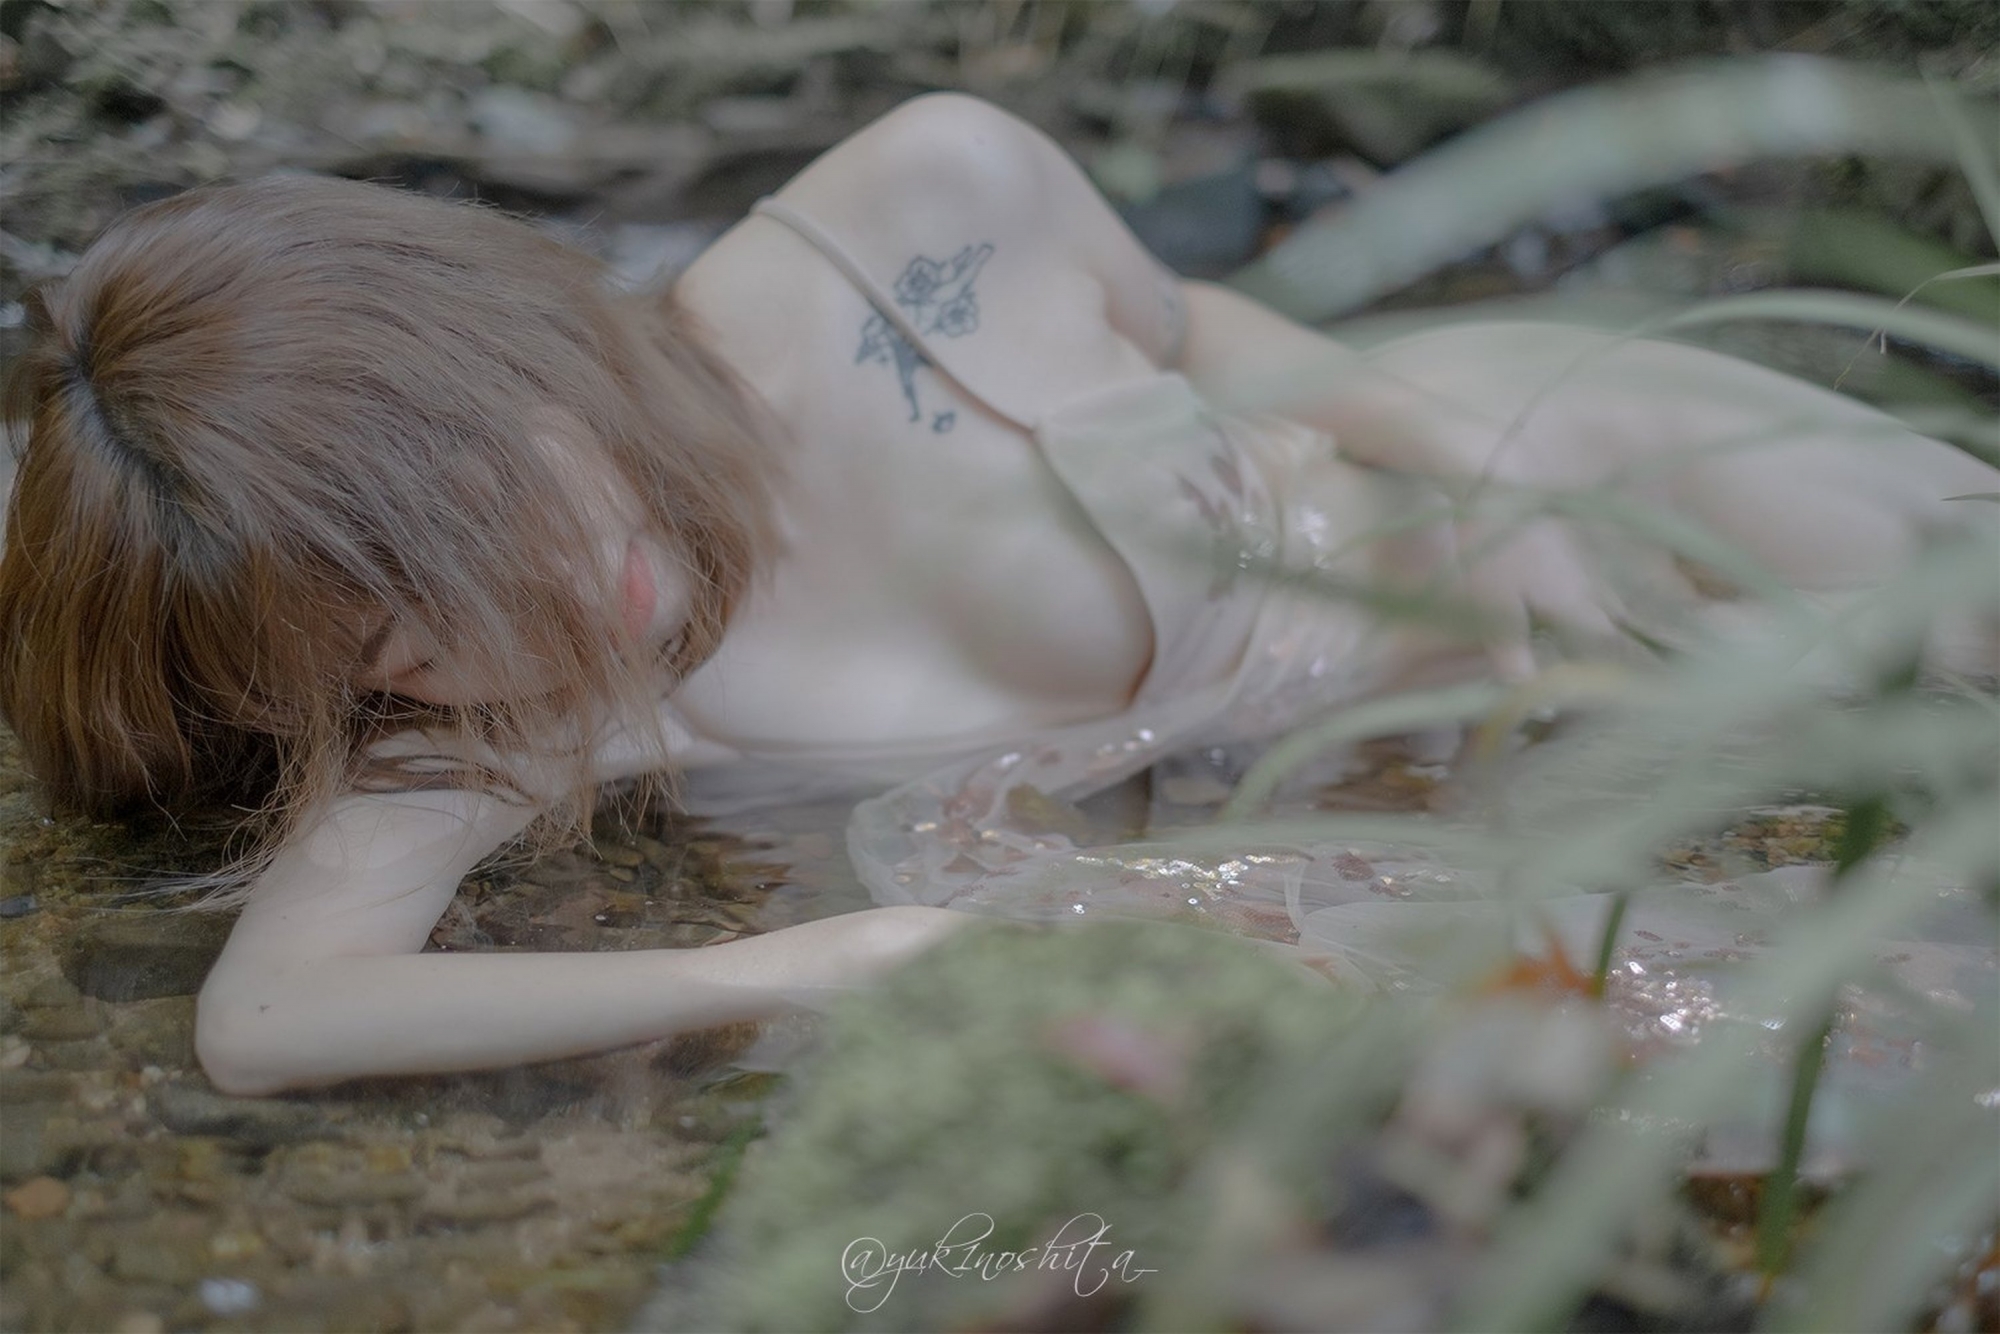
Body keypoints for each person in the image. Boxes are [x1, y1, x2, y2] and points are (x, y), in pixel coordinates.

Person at [2, 94, 1992, 1096]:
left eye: (480, 492)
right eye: (398, 627)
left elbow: (1182, 313)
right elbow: (274, 1014)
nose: (534, 589)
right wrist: (786, 967)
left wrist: (1465, 452)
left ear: (492, 343)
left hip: (1578, 483)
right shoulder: (531, 709)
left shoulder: (900, 220)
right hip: (1500, 758)